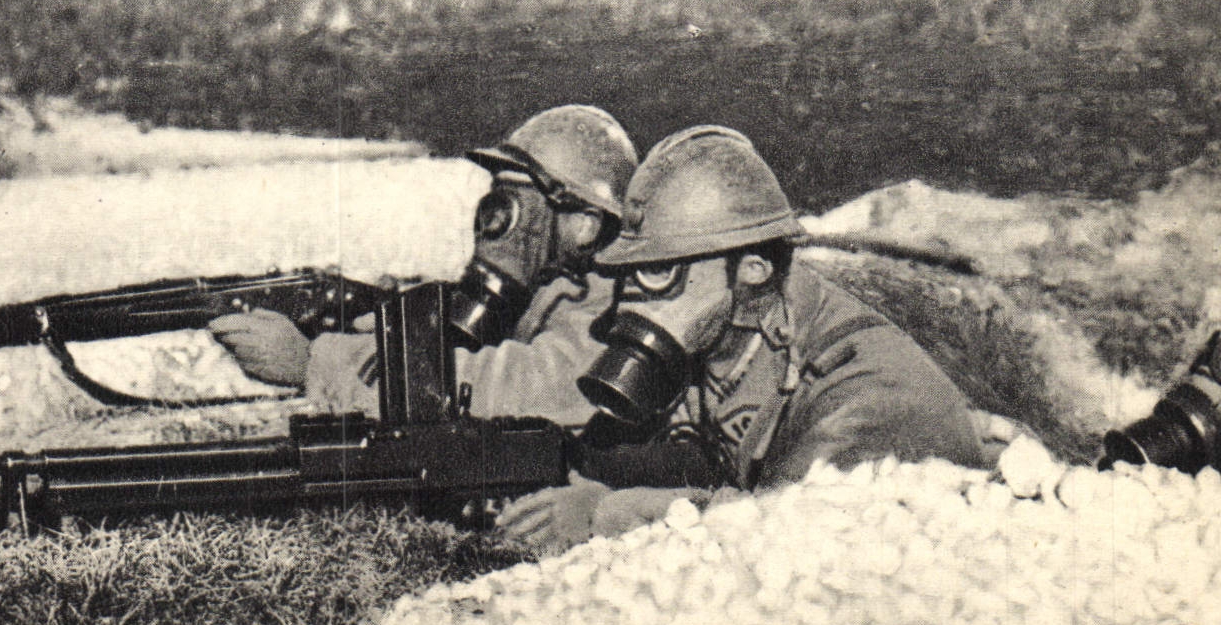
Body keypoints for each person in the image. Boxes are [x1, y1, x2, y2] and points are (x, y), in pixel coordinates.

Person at [497, 125, 987, 551]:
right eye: (631, 274)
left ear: (753, 267)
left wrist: (604, 515)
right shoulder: (727, 339)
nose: (629, 304)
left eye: (660, 273)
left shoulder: (868, 388)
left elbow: (784, 530)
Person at [208, 105, 638, 426]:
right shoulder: (557, 284)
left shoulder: (615, 302)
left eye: (519, 203)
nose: (497, 220)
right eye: (499, 197)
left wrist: (315, 363)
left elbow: (523, 386)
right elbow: (464, 342)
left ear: (585, 225)